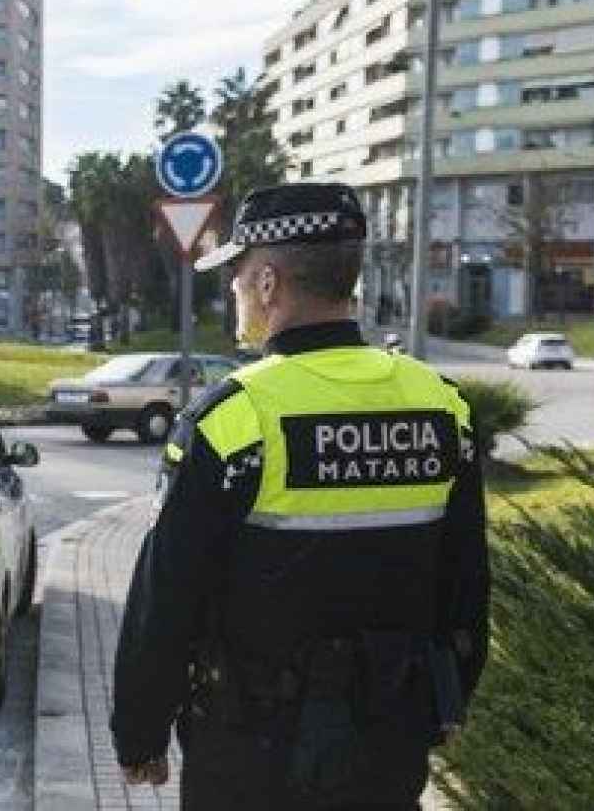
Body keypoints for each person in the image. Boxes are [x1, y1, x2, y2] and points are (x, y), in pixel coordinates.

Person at [110, 183, 490, 809]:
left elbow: (167, 595)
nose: (232, 291)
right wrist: (450, 703)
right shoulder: (442, 406)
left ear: (267, 283)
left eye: (234, 275)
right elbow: (466, 582)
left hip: (250, 752)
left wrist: (140, 734)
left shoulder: (236, 418)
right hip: (387, 742)